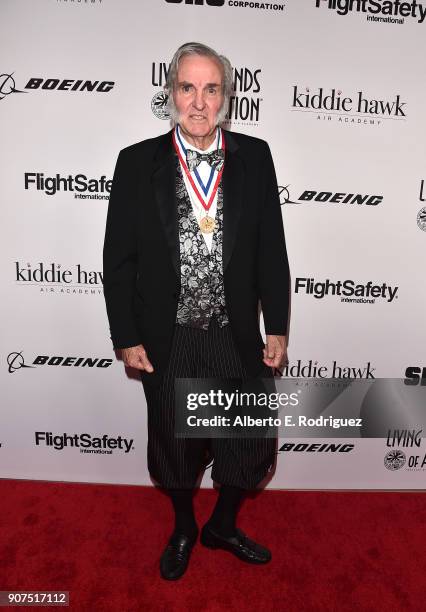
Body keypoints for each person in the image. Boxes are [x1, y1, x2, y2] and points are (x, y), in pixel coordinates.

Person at [103, 42, 290, 580]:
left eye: (212, 89)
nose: (199, 101)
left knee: (248, 444)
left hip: (236, 335)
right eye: (188, 87)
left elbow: (272, 250)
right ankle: (185, 526)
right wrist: (126, 334)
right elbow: (118, 260)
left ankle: (223, 525)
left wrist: (275, 324)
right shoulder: (137, 163)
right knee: (176, 447)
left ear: (227, 98)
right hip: (170, 334)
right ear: (171, 94)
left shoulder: (255, 156)